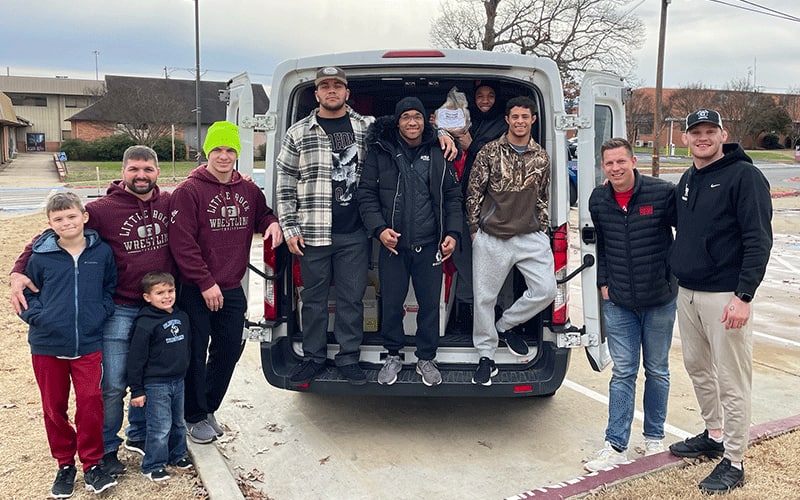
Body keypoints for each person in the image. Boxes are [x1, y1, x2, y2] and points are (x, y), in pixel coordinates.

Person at [275, 66, 457, 386]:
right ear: (316, 93)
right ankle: (314, 357)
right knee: (314, 300)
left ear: (347, 92)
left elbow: (409, 127)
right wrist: (289, 226)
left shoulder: (366, 127)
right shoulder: (298, 133)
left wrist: (441, 133)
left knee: (351, 299)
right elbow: (285, 183)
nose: (332, 91)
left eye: (338, 86)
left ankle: (347, 357)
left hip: (355, 233)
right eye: (325, 86)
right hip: (313, 231)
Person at [10, 145, 173, 475]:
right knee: (111, 384)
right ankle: (107, 447)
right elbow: (54, 231)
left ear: (157, 172)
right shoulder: (102, 209)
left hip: (158, 308)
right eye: (134, 169)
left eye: (147, 169)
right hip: (120, 308)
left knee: (153, 376)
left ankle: (139, 435)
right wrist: (18, 269)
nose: (141, 175)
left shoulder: (169, 202)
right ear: (123, 171)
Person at [667, 109, 772, 494]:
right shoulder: (689, 178)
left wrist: (744, 296)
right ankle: (714, 435)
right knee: (698, 369)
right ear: (685, 138)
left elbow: (758, 239)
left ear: (723, 134)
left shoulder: (745, 177)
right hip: (689, 292)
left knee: (732, 379)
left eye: (710, 131)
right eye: (696, 132)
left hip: (726, 296)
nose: (703, 137)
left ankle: (735, 460)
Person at [168, 120, 283, 444]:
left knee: (229, 349)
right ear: (207, 152)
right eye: (217, 149)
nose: (223, 155)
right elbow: (182, 243)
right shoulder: (189, 191)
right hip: (195, 288)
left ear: (237, 153)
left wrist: (271, 223)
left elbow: (262, 214)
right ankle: (193, 415)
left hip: (231, 286)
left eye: (229, 149)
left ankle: (208, 408)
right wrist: (205, 282)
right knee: (194, 351)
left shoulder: (247, 189)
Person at [583, 138, 677, 472]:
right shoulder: (599, 199)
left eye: (621, 162)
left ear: (633, 161)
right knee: (623, 372)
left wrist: (673, 276)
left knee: (657, 370)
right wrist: (604, 283)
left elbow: (686, 235)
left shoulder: (662, 194)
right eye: (609, 164)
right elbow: (602, 246)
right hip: (619, 302)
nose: (616, 169)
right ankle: (616, 445)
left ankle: (654, 439)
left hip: (659, 301)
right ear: (603, 167)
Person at [17, 192, 118, 497]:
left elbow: (109, 287)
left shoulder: (101, 253)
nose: (67, 222)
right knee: (54, 407)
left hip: (88, 343)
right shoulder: (40, 256)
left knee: (90, 403)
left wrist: (100, 313)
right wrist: (40, 318)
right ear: (49, 224)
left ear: (84, 216)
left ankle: (91, 464)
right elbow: (26, 295)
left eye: (72, 216)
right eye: (59, 219)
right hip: (47, 346)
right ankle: (64, 464)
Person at [358, 96, 463, 387]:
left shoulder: (440, 151)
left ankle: (426, 358)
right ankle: (393, 355)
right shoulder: (380, 151)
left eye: (417, 116)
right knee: (391, 305)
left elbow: (454, 198)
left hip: (430, 245)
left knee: (429, 306)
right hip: (393, 246)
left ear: (425, 119)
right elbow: (365, 195)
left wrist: (452, 234)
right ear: (397, 120)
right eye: (406, 117)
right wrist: (379, 230)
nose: (412, 122)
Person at [465, 96, 557, 386]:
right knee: (485, 298)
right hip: (492, 236)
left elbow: (543, 196)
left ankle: (505, 325)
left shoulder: (541, 156)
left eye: (525, 117)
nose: (520, 121)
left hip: (530, 235)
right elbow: (474, 191)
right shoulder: (490, 152)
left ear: (533, 120)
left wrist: (543, 229)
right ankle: (485, 355)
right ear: (507, 119)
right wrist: (473, 229)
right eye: (514, 116)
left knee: (546, 290)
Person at [442, 82, 508, 335]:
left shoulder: (501, 126)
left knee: (492, 262)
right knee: (463, 259)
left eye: (490, 95)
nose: (485, 100)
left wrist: (471, 144)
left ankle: (495, 316)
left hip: (492, 202)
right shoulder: (461, 120)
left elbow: (501, 159)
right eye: (480, 96)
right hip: (459, 199)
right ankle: (465, 313)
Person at [127, 272, 193, 482]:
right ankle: (153, 465)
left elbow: (187, 347)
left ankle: (177, 456)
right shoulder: (145, 323)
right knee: (160, 425)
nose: (167, 296)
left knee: (178, 423)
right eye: (160, 293)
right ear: (147, 297)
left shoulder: (182, 316)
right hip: (156, 384)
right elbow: (136, 359)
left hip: (178, 381)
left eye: (170, 291)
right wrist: (137, 390)